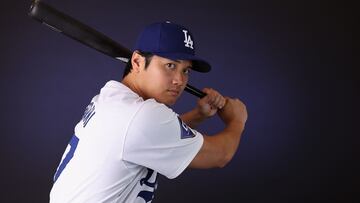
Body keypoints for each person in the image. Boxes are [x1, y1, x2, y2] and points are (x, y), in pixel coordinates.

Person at [49, 21, 247, 203]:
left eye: (186, 70)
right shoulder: (141, 116)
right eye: (170, 65)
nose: (179, 80)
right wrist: (236, 120)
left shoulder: (115, 100)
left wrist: (199, 114)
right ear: (137, 62)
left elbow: (153, 136)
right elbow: (220, 155)